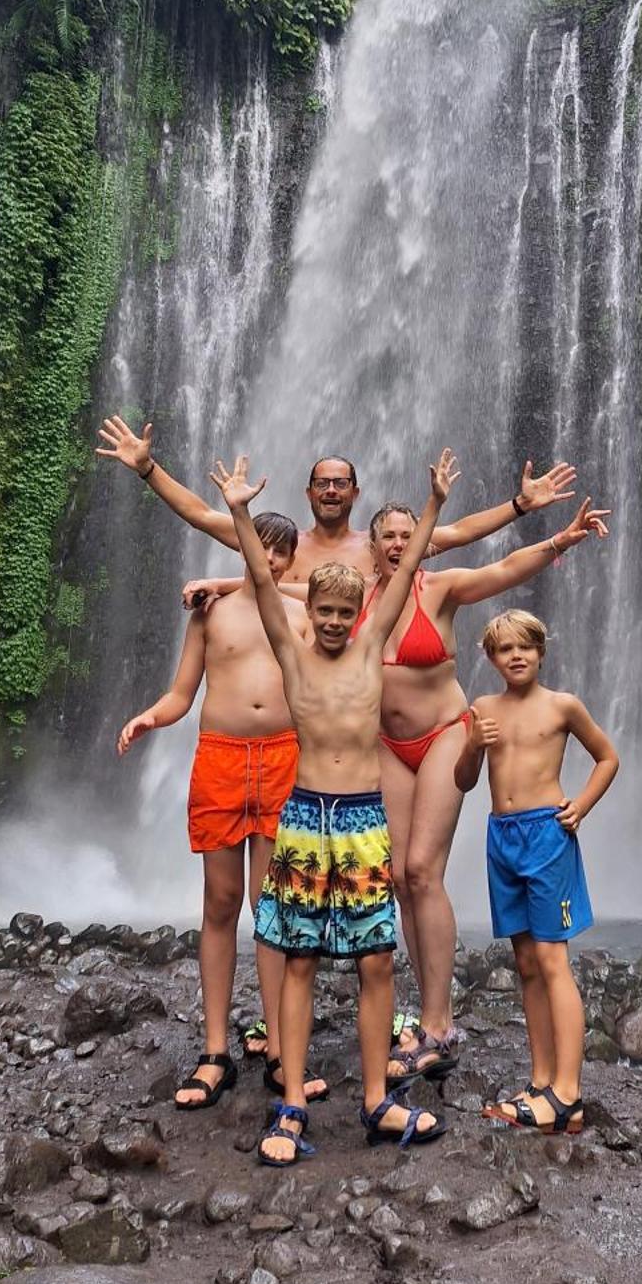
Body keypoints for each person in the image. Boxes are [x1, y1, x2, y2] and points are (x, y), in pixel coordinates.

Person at [210, 445, 460, 1167]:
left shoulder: (368, 646)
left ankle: (377, 1099)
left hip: (360, 824)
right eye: (320, 608)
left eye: (342, 611)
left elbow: (406, 569)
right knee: (297, 964)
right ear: (305, 611)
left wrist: (436, 503)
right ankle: (289, 1104)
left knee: (377, 962)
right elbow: (260, 578)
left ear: (359, 615)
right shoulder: (292, 659)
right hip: (303, 818)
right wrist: (237, 509)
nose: (330, 619)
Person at [353, 494, 609, 1085]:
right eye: (386, 536)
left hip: (446, 732)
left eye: (405, 534)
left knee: (421, 870)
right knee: (396, 878)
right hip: (385, 744)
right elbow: (276, 588)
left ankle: (439, 1023)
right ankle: (421, 1013)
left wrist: (561, 540)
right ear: (371, 546)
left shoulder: (438, 588)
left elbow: (501, 570)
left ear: (421, 540)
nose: (396, 543)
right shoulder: (352, 594)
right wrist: (215, 584)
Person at [115, 511, 328, 1110]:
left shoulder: (301, 612)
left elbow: (338, 616)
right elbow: (183, 693)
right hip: (221, 759)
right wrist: (150, 716)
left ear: (291, 560)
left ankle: (283, 1049)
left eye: (281, 551)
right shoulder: (209, 614)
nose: (270, 558)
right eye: (260, 547)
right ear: (242, 547)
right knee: (220, 902)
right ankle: (215, 1052)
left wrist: (238, 583)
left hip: (285, 759)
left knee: (271, 907)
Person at [453, 607, 619, 1134]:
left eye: (526, 646)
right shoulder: (482, 709)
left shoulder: (562, 706)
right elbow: (463, 780)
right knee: (525, 962)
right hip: (501, 837)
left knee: (551, 960)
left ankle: (567, 1093)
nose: (516, 655)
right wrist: (474, 746)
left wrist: (582, 806)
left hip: (548, 836)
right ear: (491, 657)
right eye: (505, 649)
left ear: (541, 652)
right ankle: (541, 1079)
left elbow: (608, 757)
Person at [95, 412, 575, 585]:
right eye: (322, 483)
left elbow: (459, 532)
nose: (330, 489)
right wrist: (148, 470)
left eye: (340, 483)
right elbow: (201, 514)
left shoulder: (381, 548)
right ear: (308, 493)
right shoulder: (275, 544)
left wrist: (518, 505)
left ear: (355, 492)